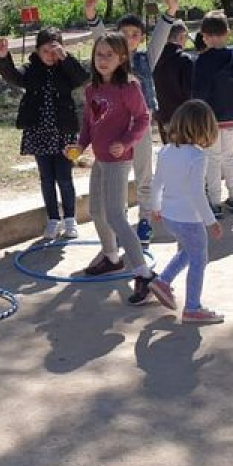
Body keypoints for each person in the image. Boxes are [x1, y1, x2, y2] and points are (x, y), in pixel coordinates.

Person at [67, 32, 159, 305]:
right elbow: (88, 125)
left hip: (119, 161)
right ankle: (111, 257)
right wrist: (78, 146)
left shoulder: (130, 88)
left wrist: (126, 141)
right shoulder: (92, 90)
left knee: (116, 216)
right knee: (96, 210)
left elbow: (144, 118)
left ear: (122, 58)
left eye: (109, 55)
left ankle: (144, 274)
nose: (103, 60)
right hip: (101, 160)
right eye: (99, 54)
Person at [85, 0, 177, 247]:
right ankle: (119, 222)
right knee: (117, 178)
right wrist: (92, 14)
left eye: (135, 35)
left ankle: (145, 221)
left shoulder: (148, 58)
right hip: (114, 129)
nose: (129, 38)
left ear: (141, 38)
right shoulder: (110, 60)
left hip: (141, 125)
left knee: (144, 175)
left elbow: (160, 34)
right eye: (124, 34)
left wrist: (171, 10)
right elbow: (101, 37)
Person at [0, 28, 90, 240]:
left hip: (64, 134)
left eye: (54, 50)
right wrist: (3, 57)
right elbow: (13, 76)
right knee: (47, 178)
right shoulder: (31, 70)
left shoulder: (66, 69)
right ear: (37, 51)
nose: (49, 54)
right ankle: (53, 219)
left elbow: (82, 78)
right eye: (44, 50)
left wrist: (66, 58)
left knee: (65, 177)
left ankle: (70, 219)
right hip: (38, 133)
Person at [149, 99, 225, 325]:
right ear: (204, 128)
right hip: (189, 219)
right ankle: (193, 308)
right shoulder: (197, 156)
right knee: (199, 260)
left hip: (169, 217)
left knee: (188, 253)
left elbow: (157, 182)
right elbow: (197, 193)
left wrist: (155, 207)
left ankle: (162, 282)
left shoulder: (165, 151)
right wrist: (211, 221)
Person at [191, 10, 233, 218]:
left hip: (210, 120)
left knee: (212, 158)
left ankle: (214, 202)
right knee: (230, 157)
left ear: (205, 36)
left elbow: (198, 93)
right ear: (228, 32)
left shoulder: (202, 62)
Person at [152, 19, 194, 143]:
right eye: (186, 38)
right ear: (181, 36)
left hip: (163, 115)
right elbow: (190, 92)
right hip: (182, 118)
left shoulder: (154, 59)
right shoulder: (185, 60)